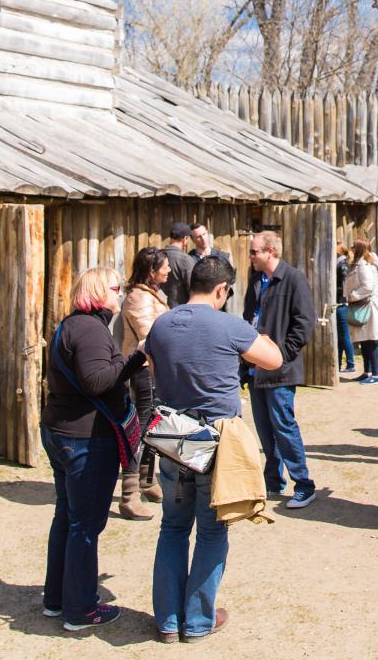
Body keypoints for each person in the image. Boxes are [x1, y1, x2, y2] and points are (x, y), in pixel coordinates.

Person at [146, 255, 283, 643]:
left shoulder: (161, 324)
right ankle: (199, 618)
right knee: (211, 531)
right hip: (215, 439)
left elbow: (154, 369)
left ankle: (169, 621)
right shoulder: (229, 325)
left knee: (172, 528)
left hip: (174, 436)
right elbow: (273, 359)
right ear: (222, 289)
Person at [40, 266, 147, 631]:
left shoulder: (72, 325)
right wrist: (136, 360)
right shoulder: (88, 329)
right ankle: (81, 609)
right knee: (84, 524)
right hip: (83, 438)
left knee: (68, 518)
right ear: (100, 292)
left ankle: (57, 599)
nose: (120, 294)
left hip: (62, 431)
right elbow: (96, 380)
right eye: (116, 288)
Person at [242, 230, 319, 508]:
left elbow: (304, 324)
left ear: (270, 251)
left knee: (284, 426)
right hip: (255, 369)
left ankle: (304, 484)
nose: (250, 257)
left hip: (280, 370)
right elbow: (249, 321)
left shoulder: (294, 279)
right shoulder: (255, 281)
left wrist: (280, 356)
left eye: (254, 252)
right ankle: (273, 481)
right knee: (265, 430)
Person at [119, 247, 171, 519]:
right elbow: (149, 334)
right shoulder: (138, 298)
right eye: (165, 266)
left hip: (154, 369)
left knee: (152, 425)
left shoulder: (151, 295)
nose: (169, 270)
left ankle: (147, 480)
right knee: (139, 429)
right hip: (143, 370)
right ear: (152, 270)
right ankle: (129, 495)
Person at [344, 239, 378, 383]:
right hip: (361, 305)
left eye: (354, 247)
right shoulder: (359, 263)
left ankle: (376, 374)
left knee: (370, 340)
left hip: (367, 306)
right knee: (364, 340)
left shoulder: (364, 264)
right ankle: (367, 372)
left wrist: (353, 295)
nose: (351, 249)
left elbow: (368, 286)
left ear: (359, 248)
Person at [161, 222, 194, 307]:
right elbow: (193, 290)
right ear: (185, 238)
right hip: (180, 311)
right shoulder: (186, 260)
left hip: (158, 309)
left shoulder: (157, 256)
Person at [334, 242, 355, 375]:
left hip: (342, 303)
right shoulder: (341, 264)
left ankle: (351, 363)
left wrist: (333, 290)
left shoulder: (342, 266)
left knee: (344, 335)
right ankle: (340, 363)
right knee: (341, 336)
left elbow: (344, 287)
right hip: (340, 303)